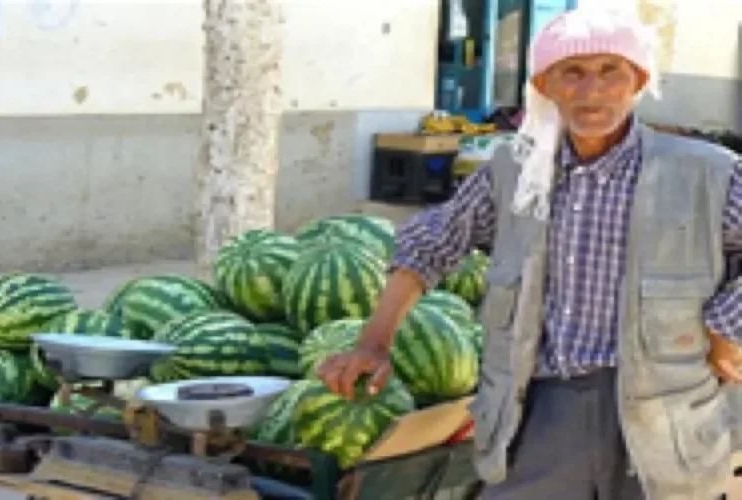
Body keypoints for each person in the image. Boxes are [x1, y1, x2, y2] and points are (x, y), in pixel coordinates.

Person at [317, 7, 742, 500]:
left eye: (611, 71)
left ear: (638, 80)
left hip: (667, 413)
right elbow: (432, 241)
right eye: (573, 73)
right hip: (543, 410)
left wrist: (725, 327)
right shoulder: (515, 170)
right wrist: (373, 342)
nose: (592, 90)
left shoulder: (706, 172)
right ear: (545, 84)